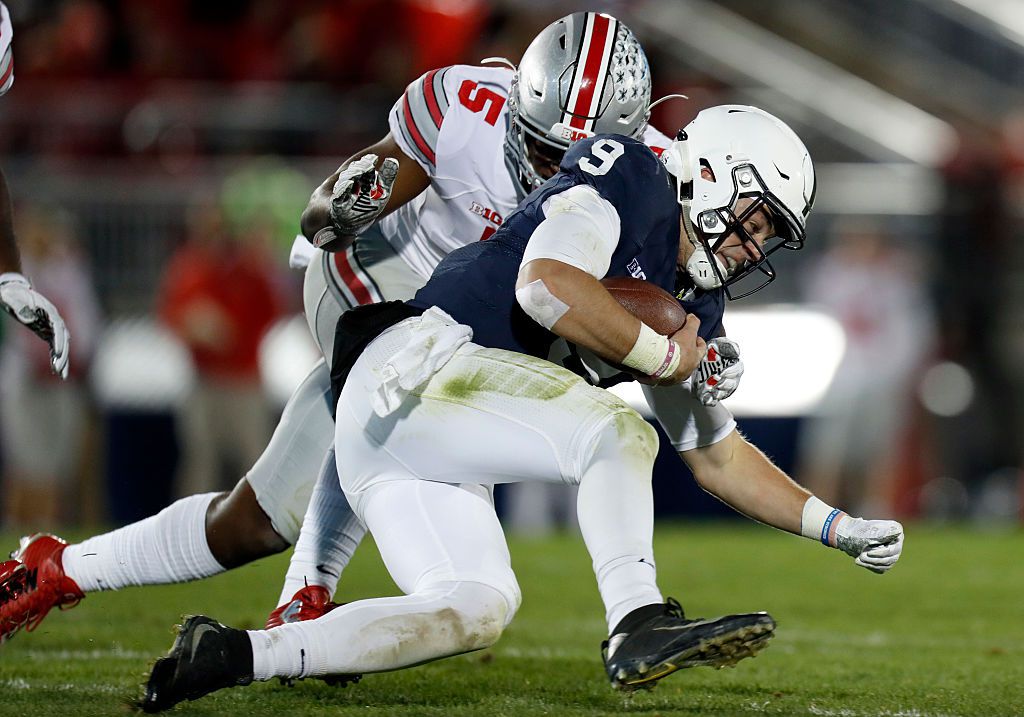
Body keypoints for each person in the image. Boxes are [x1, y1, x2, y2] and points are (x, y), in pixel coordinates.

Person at [1, 12, 745, 644]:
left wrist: (698, 347)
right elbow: (337, 211)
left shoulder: (648, 171)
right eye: (544, 144)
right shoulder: (463, 108)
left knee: (256, 518)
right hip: (375, 276)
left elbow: (652, 289)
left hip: (465, 327)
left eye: (576, 156)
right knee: (406, 386)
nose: (556, 168)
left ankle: (57, 565)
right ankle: (307, 592)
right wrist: (336, 203)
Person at [139, 106, 905, 712]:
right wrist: (666, 354)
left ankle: (235, 654)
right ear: (713, 172)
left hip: (414, 431)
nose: (754, 245)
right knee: (617, 429)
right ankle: (638, 619)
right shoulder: (631, 175)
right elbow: (545, 283)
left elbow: (717, 455)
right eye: (758, 218)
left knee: (475, 605)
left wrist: (836, 526)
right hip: (418, 362)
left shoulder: (690, 299)